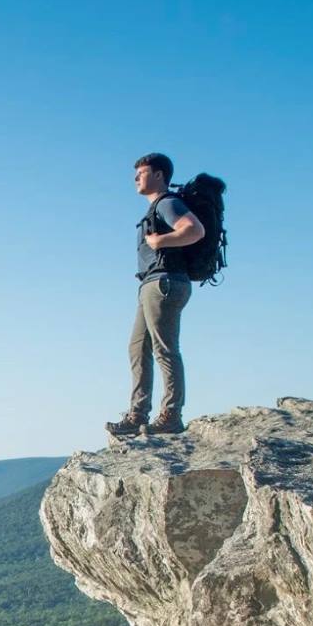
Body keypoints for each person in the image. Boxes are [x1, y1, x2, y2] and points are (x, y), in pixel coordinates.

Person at [107, 153, 204, 437]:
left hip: (164, 283)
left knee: (164, 349)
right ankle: (138, 414)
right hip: (151, 284)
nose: (136, 178)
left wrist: (159, 240)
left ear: (160, 175)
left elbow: (194, 230)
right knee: (137, 347)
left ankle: (171, 414)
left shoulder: (168, 203)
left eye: (142, 172)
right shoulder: (157, 208)